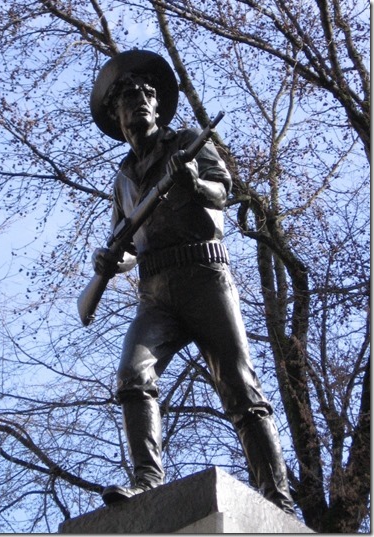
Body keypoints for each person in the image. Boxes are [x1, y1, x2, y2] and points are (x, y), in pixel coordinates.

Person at [89, 49, 295, 516]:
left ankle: (278, 500)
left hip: (204, 276)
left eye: (148, 95)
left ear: (158, 106)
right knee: (131, 376)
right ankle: (146, 480)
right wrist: (108, 260)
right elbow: (125, 246)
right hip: (154, 292)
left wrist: (194, 184)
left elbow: (225, 191)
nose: (141, 102)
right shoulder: (122, 179)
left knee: (240, 387)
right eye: (130, 98)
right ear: (116, 114)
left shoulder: (188, 141)